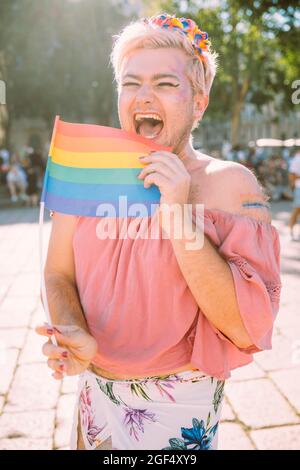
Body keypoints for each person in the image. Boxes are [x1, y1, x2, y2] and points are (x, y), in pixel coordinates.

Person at [36, 13, 281, 451]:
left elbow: (247, 328)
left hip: (180, 401)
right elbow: (58, 275)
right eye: (131, 84)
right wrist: (73, 330)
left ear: (199, 101)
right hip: (95, 393)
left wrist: (178, 217)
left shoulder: (231, 184)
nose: (144, 96)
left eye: (165, 84)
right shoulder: (84, 171)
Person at [288, 150, 300, 240]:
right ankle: (291, 231)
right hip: (299, 188)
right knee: (296, 210)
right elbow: (292, 176)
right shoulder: (297, 159)